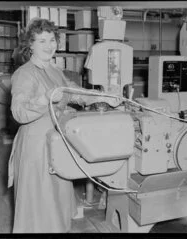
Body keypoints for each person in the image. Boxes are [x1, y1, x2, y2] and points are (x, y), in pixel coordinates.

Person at [7, 18, 121, 233]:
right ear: (30, 45)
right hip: (36, 147)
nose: (49, 45)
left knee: (56, 202)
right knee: (38, 205)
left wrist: (104, 97)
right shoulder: (24, 73)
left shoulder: (55, 70)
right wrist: (44, 98)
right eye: (42, 41)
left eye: (52, 40)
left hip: (56, 143)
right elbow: (18, 112)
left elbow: (74, 92)